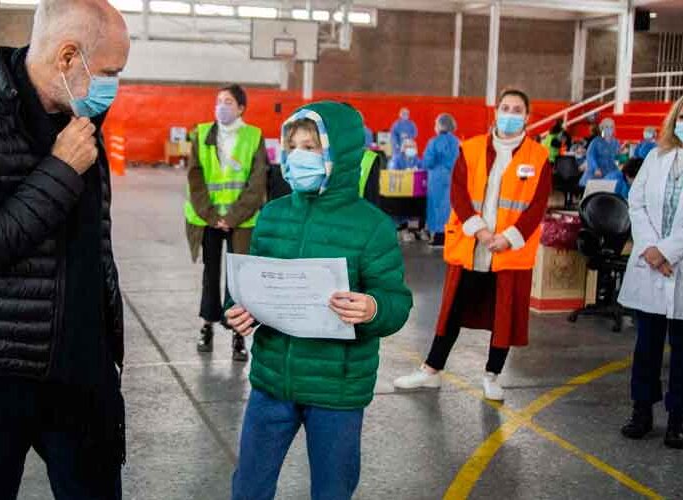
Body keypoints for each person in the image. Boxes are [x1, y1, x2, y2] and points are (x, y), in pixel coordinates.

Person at [0, 1, 129, 498]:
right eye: (111, 72)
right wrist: (58, 169)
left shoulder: (82, 117)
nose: (116, 84)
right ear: (68, 56)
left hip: (81, 371)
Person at [226, 102, 413, 500]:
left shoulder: (372, 226)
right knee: (248, 487)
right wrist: (239, 309)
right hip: (272, 382)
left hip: (337, 391)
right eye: (292, 146)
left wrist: (373, 308)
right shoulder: (273, 216)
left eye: (311, 147)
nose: (298, 156)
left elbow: (396, 301)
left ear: (339, 153)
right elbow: (250, 284)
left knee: (332, 491)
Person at [393, 89, 552, 401]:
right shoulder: (471, 148)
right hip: (473, 246)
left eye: (517, 109)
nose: (510, 113)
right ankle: (431, 371)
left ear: (527, 116)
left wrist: (508, 238)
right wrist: (479, 230)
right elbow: (459, 193)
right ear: (495, 112)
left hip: (510, 251)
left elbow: (537, 205)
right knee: (451, 311)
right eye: (505, 107)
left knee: (503, 316)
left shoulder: (539, 156)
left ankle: (493, 375)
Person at [618, 96, 683, 450]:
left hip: (678, 263)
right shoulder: (656, 158)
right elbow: (636, 201)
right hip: (651, 265)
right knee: (647, 346)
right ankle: (641, 411)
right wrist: (651, 249)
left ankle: (678, 418)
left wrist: (668, 250)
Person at [185, 84, 267, 361]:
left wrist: (231, 218)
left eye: (228, 101)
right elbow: (195, 177)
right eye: (219, 100)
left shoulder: (253, 137)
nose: (221, 106)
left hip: (241, 221)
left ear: (241, 108)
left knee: (238, 278)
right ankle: (206, 326)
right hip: (206, 219)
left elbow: (257, 184)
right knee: (211, 274)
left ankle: (237, 335)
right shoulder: (203, 133)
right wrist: (212, 215)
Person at [422, 113, 460, 248]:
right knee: (449, 207)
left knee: (436, 206)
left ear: (440, 125)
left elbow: (428, 162)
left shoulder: (434, 142)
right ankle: (448, 235)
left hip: (437, 178)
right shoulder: (456, 142)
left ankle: (438, 236)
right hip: (453, 177)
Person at [580, 117, 620, 187]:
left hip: (610, 171)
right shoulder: (596, 141)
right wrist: (596, 168)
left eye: (611, 127)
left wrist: (621, 157)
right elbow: (590, 156)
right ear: (602, 128)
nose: (609, 129)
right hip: (596, 172)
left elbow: (616, 157)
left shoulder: (616, 142)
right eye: (606, 127)